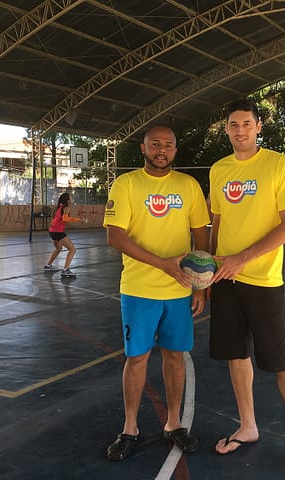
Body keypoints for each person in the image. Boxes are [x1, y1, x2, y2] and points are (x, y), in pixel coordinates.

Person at [208, 99, 285, 480]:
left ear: (259, 127)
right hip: (224, 279)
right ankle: (248, 426)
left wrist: (242, 258)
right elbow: (217, 223)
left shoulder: (279, 164)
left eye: (247, 123)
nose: (240, 130)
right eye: (233, 124)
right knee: (235, 355)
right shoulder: (219, 169)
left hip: (263, 281)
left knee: (283, 363)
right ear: (226, 129)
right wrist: (209, 271)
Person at [103, 125, 210, 461]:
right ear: (143, 148)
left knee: (175, 357)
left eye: (168, 145)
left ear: (175, 150)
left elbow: (201, 236)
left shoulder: (188, 186)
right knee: (137, 358)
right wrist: (162, 264)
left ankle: (174, 423)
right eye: (155, 144)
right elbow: (115, 236)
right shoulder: (126, 184)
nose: (161, 150)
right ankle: (129, 428)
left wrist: (201, 285)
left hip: (180, 290)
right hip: (139, 289)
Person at [45, 192, 83, 277]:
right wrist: (79, 220)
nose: (72, 199)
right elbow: (65, 219)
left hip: (52, 231)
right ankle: (65, 270)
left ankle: (48, 265)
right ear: (68, 200)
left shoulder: (58, 208)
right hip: (58, 232)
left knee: (58, 249)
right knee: (72, 249)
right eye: (71, 198)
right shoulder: (66, 208)